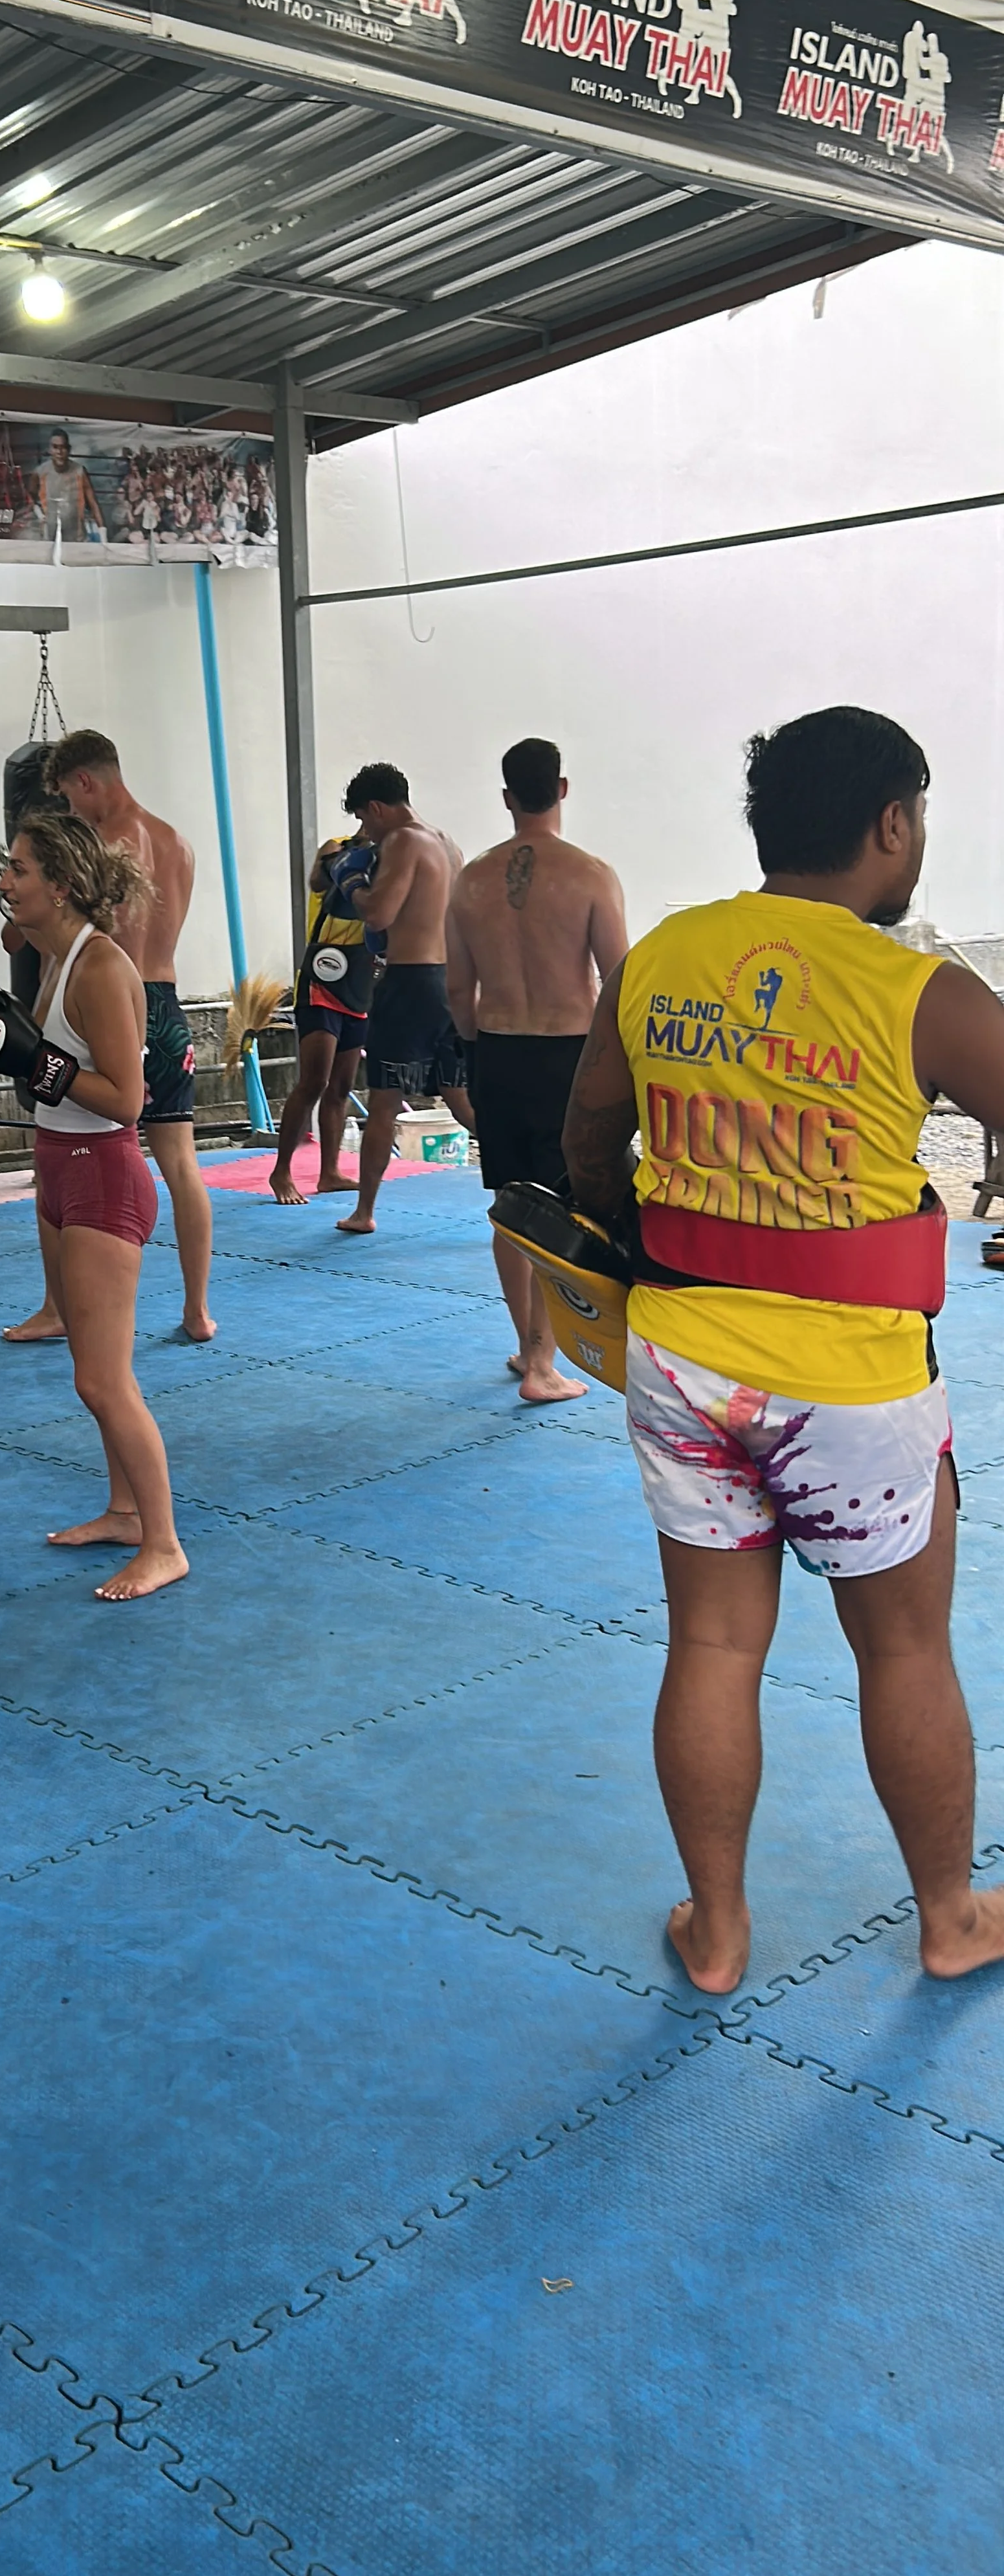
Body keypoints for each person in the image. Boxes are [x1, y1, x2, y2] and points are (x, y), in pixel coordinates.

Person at [562, 704, 1004, 1995]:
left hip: (681, 1361)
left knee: (707, 1647)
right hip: (848, 1388)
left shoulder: (666, 956)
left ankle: (716, 1930)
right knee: (904, 1651)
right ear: (889, 821)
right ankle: (947, 1916)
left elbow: (592, 1136)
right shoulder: (917, 987)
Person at [0, 812, 186, 1601]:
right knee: (90, 1369)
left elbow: (126, 1101)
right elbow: (55, 1076)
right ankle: (122, 1510)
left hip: (103, 1175)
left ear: (62, 886)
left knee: (103, 1380)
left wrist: (38, 1064)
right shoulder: (56, 956)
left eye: (18, 870)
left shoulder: (100, 966)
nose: (4, 882)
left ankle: (166, 1544)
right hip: (58, 1168)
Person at [3, 727, 216, 1344]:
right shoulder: (178, 843)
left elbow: (57, 941)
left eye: (69, 798)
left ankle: (56, 1305)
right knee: (181, 1162)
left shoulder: (89, 851)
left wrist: (17, 918)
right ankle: (197, 1310)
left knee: (60, 1143)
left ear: (85, 780)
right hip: (164, 1000)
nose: (69, 811)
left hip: (102, 1001)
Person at [447, 738, 628, 1401]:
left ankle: (526, 1348)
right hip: (567, 1053)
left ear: (505, 797)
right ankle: (543, 1364)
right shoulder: (589, 875)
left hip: (496, 1048)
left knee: (511, 1204)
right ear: (562, 788)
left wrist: (475, 1050)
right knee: (565, 1209)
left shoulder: (470, 880)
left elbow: (455, 990)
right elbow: (617, 982)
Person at [328, 762, 472, 1235]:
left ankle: (365, 1211)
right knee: (461, 1098)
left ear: (377, 808)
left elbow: (379, 915)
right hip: (451, 980)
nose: (364, 833)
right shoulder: (447, 843)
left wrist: (351, 881)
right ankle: (527, 1188)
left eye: (364, 821)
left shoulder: (405, 841)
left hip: (410, 983)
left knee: (384, 1101)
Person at [269, 835, 375, 1202]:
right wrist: (349, 860)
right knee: (314, 1080)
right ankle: (281, 1171)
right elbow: (317, 881)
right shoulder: (338, 846)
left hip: (359, 980)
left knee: (342, 1086)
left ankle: (329, 1172)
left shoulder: (392, 861)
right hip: (322, 979)